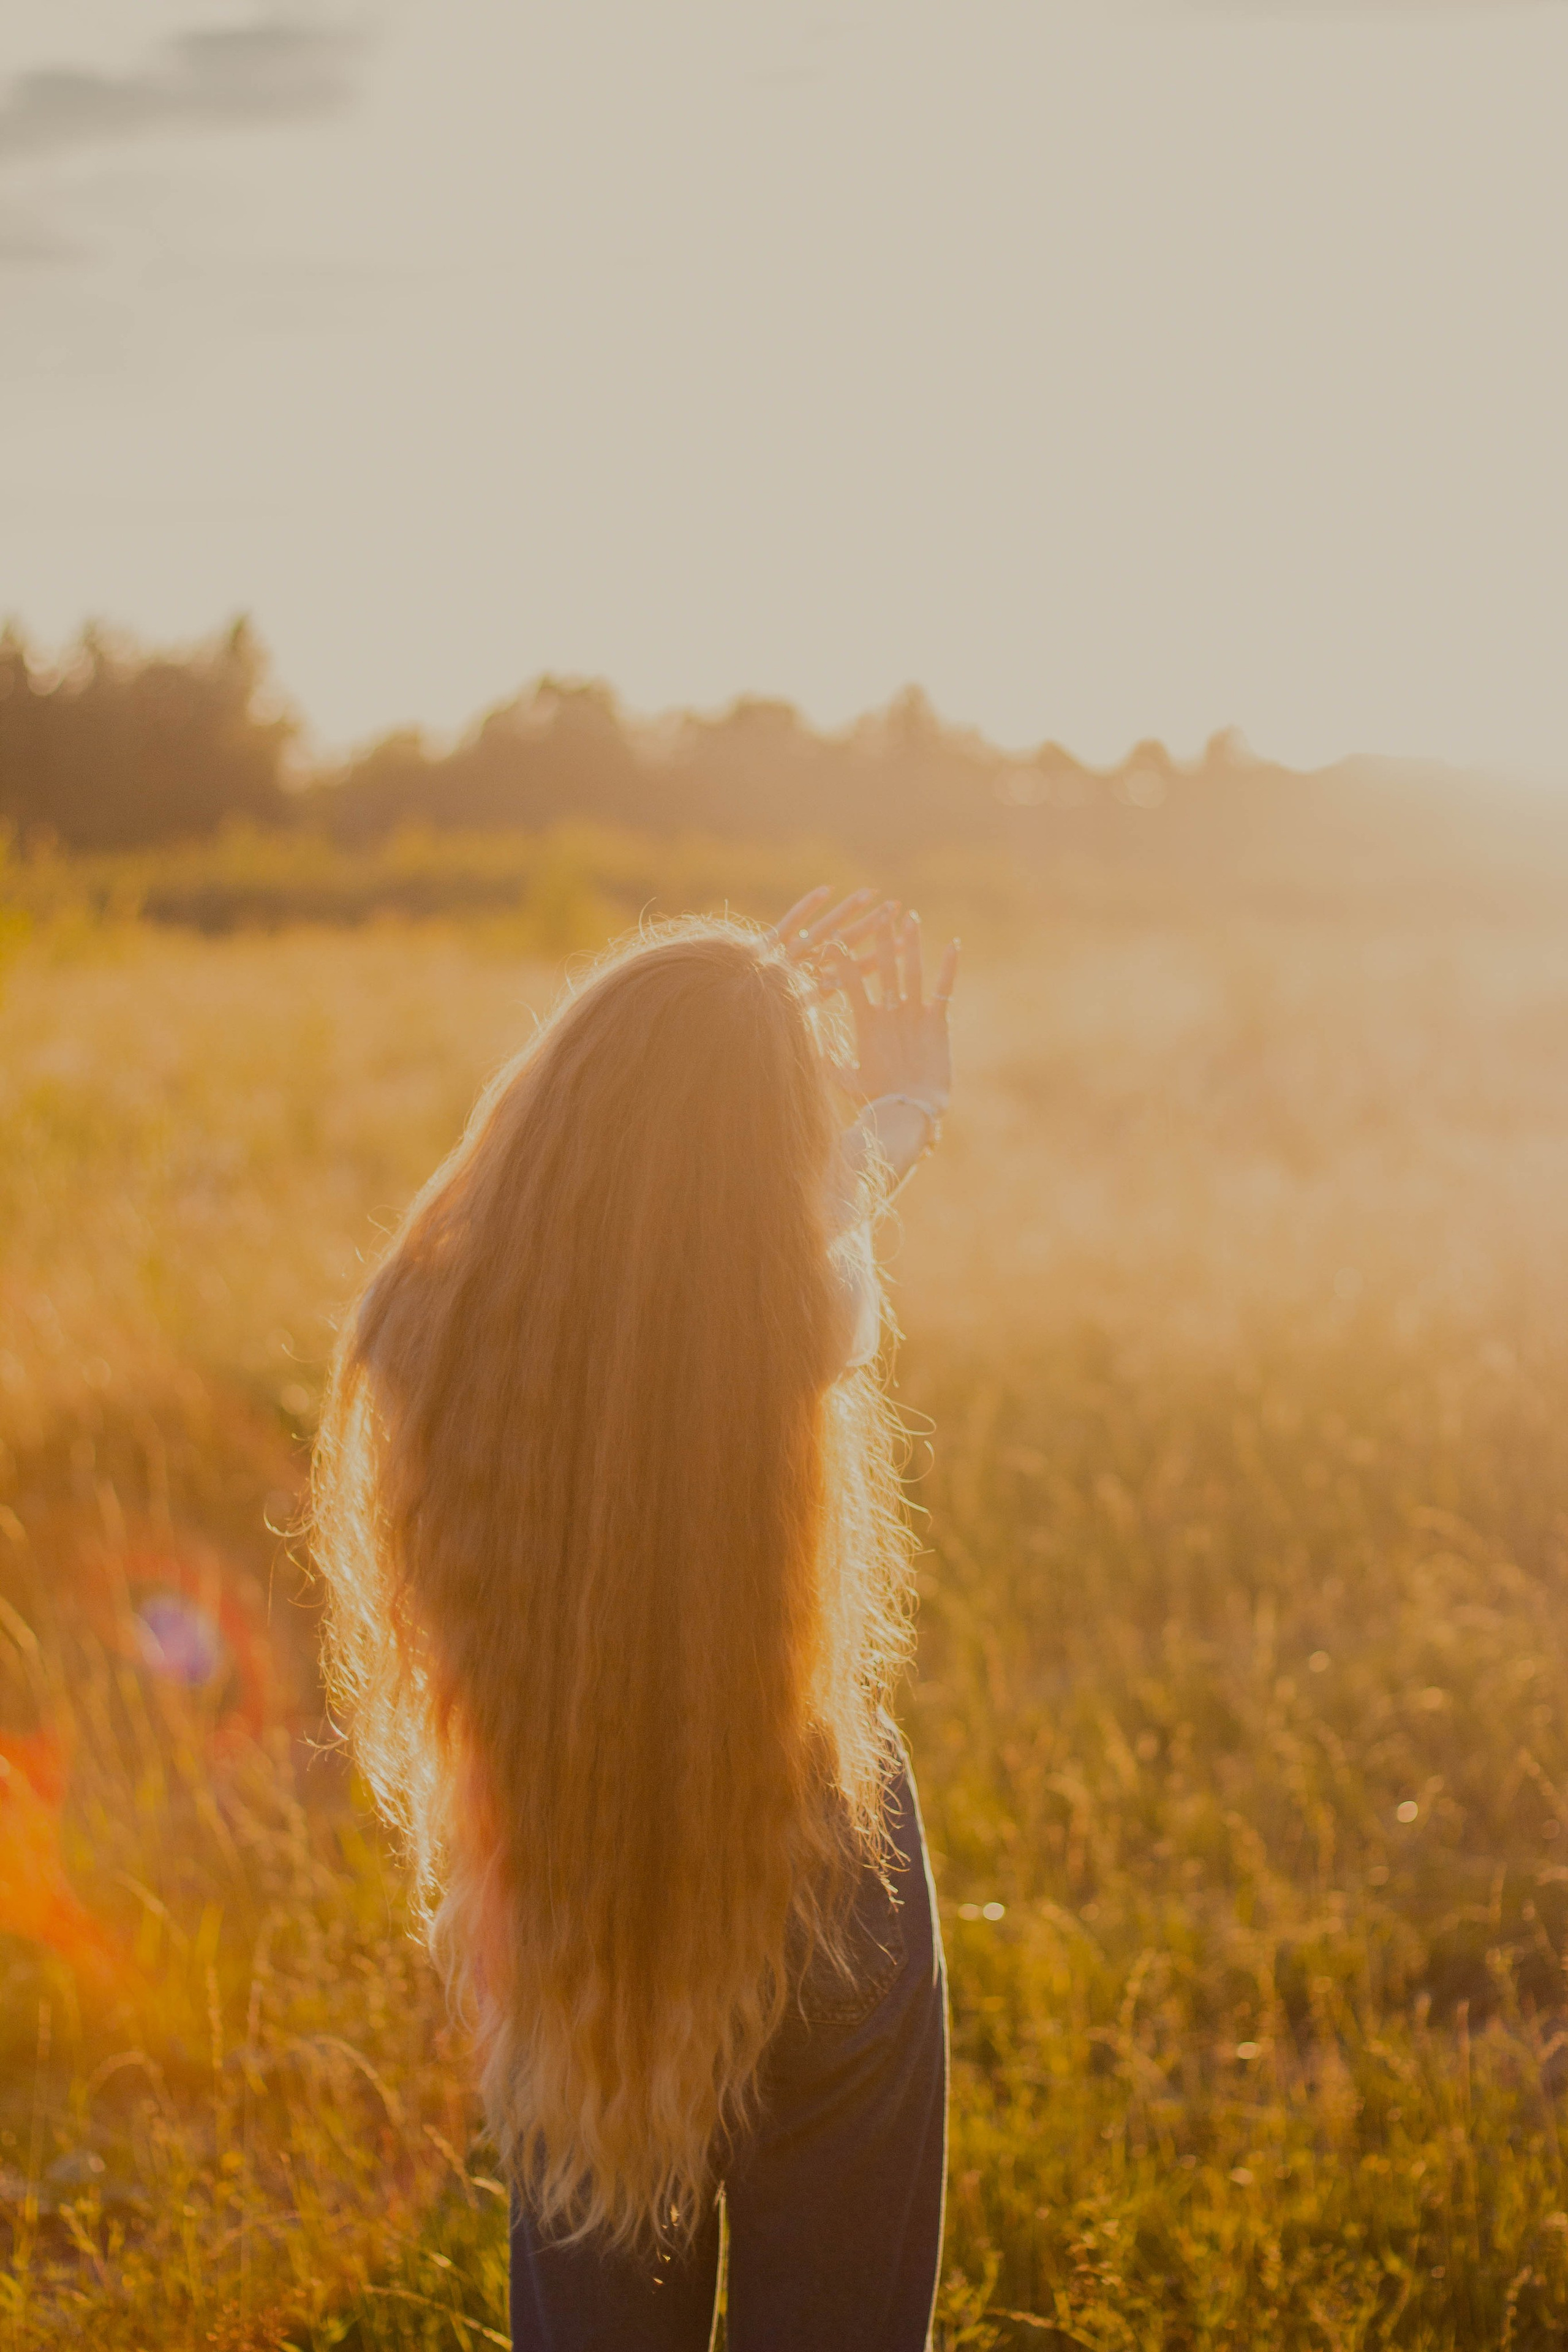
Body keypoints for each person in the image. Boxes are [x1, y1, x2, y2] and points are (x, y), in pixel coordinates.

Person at [311, 886, 960, 2351]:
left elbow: (649, 1241)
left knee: (593, 2291)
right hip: (810, 1844)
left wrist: (708, 1014)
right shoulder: (795, 1310)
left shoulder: (419, 1328)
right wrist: (889, 1099)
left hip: (548, 1849)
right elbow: (803, 1245)